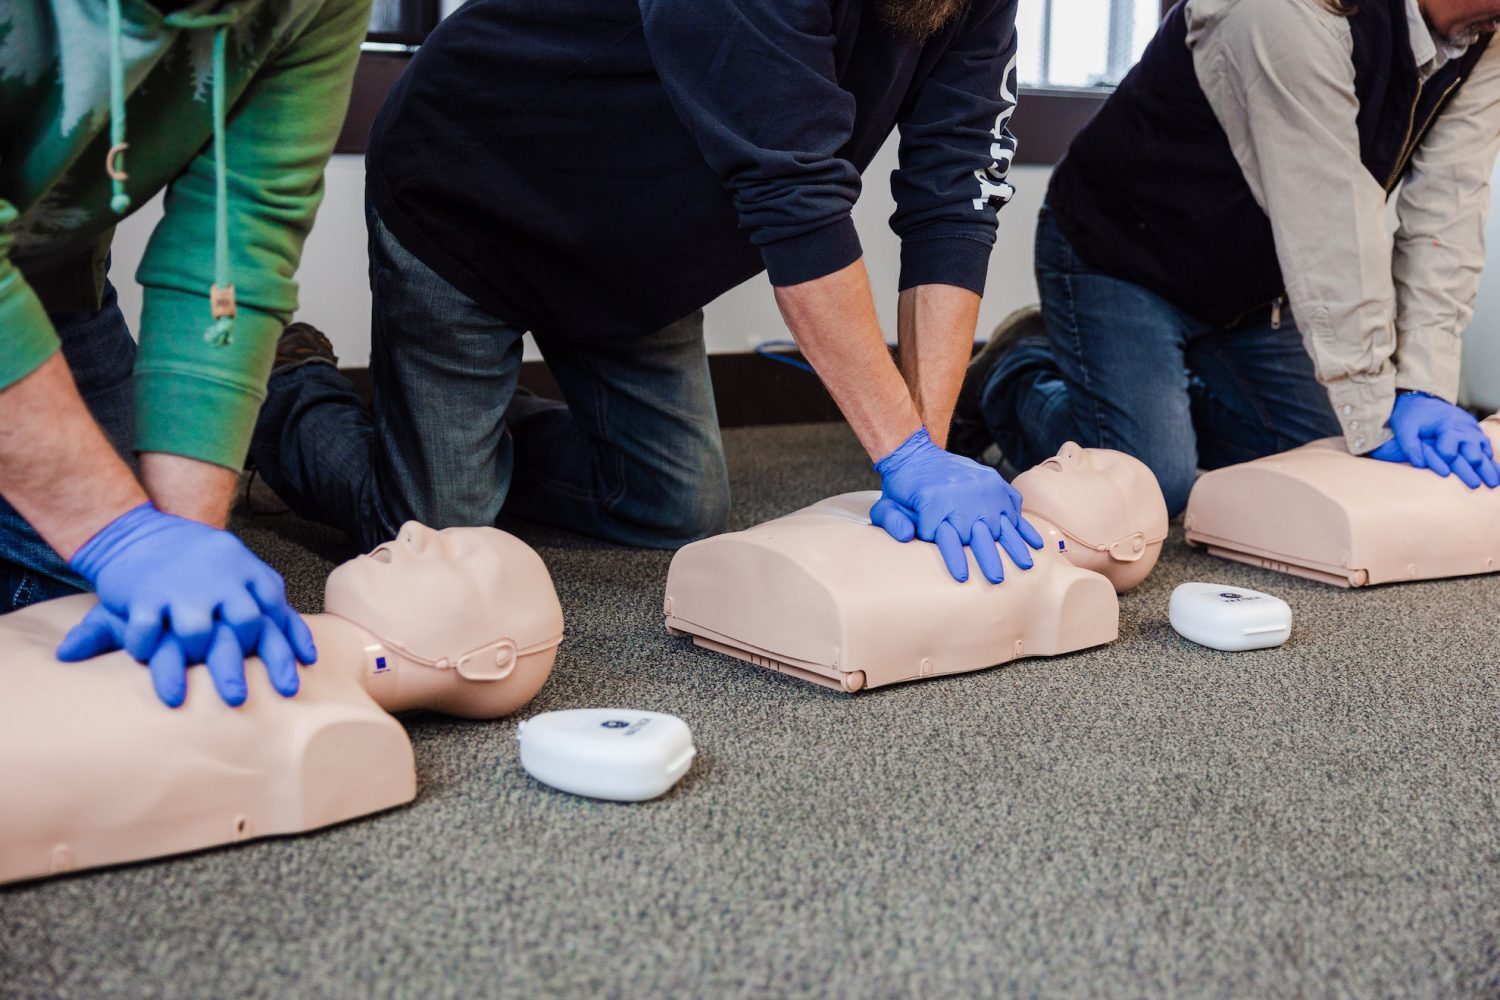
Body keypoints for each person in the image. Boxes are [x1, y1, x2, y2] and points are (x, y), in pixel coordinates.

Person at [250, 0, 1046, 586]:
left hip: (636, 252)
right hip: (472, 193)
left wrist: (929, 458)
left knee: (673, 506)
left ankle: (462, 436)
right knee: (434, 539)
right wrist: (903, 455)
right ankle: (287, 392)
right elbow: (798, 206)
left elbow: (957, 198)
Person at [951, 0, 1500, 516]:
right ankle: (1015, 373)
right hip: (1123, 255)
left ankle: (1154, 397)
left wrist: (1423, 387)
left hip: (1251, 285)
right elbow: (1331, 224)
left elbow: (1447, 214)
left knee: (1323, 452)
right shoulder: (1287, 11)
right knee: (1152, 483)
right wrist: (1375, 400)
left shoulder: (1483, 38)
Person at [0, 0, 368, 704]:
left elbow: (238, 235)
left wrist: (176, 544)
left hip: (50, 279)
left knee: (101, 615)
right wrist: (118, 534)